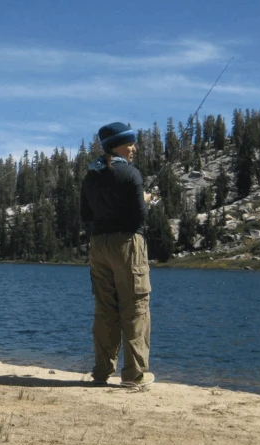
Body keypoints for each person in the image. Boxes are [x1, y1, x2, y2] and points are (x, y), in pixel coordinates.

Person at [80, 122, 155, 387]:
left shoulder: (92, 175)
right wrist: (144, 200)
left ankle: (101, 371)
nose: (134, 148)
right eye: (130, 143)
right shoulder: (131, 175)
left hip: (98, 247)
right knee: (135, 307)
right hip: (128, 245)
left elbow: (85, 216)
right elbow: (140, 217)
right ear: (117, 145)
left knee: (105, 309)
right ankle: (135, 375)